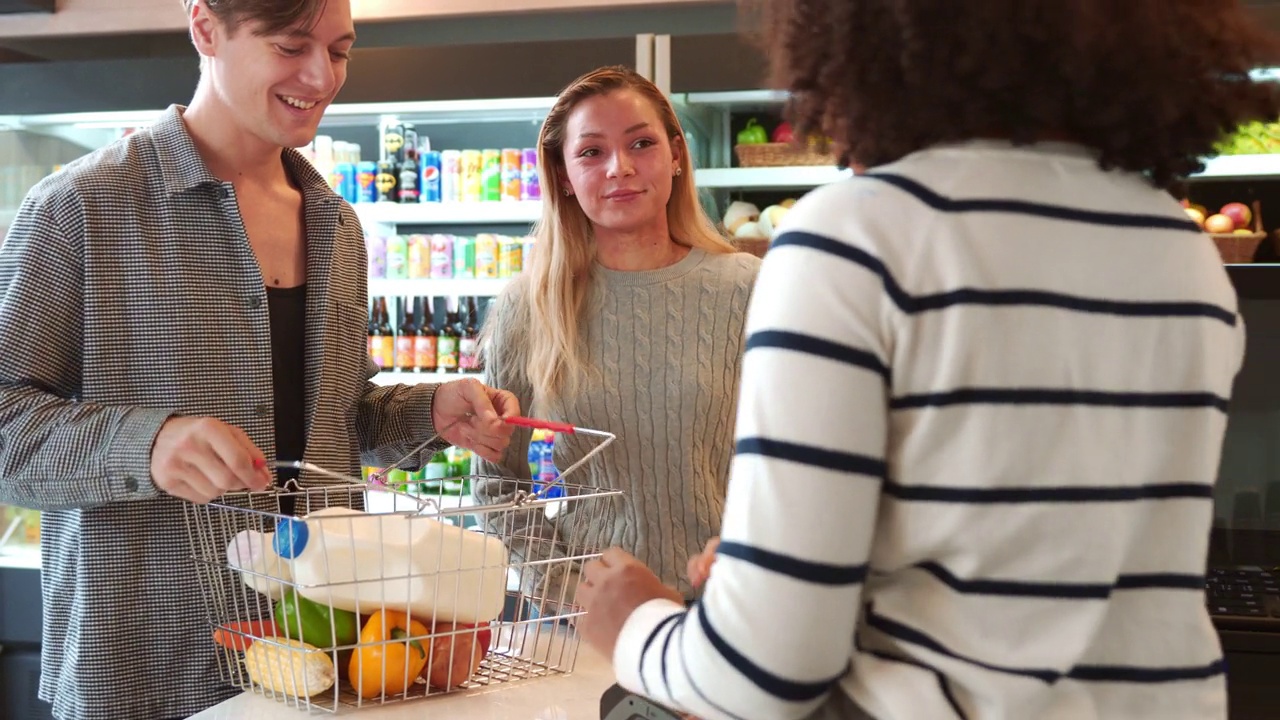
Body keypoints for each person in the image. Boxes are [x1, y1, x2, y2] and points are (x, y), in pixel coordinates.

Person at [576, 1, 1280, 719]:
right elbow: (1042, 556)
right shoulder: (1178, 249)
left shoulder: (856, 240)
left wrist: (633, 621)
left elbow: (769, 672)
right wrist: (794, 567)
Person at [0, 1, 517, 718]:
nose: (321, 76)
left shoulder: (336, 223)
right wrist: (147, 443)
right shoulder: (81, 209)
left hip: (329, 663)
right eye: (290, 45)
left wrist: (427, 410)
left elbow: (336, 416)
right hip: (144, 670)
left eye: (339, 51)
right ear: (206, 28)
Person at [472, 66, 761, 610]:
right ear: (562, 174)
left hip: (731, 614)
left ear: (676, 154)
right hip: (590, 631)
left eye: (642, 143)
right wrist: (564, 591)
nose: (620, 168)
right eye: (591, 153)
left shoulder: (748, 289)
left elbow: (790, 464)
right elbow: (497, 482)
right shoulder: (529, 306)